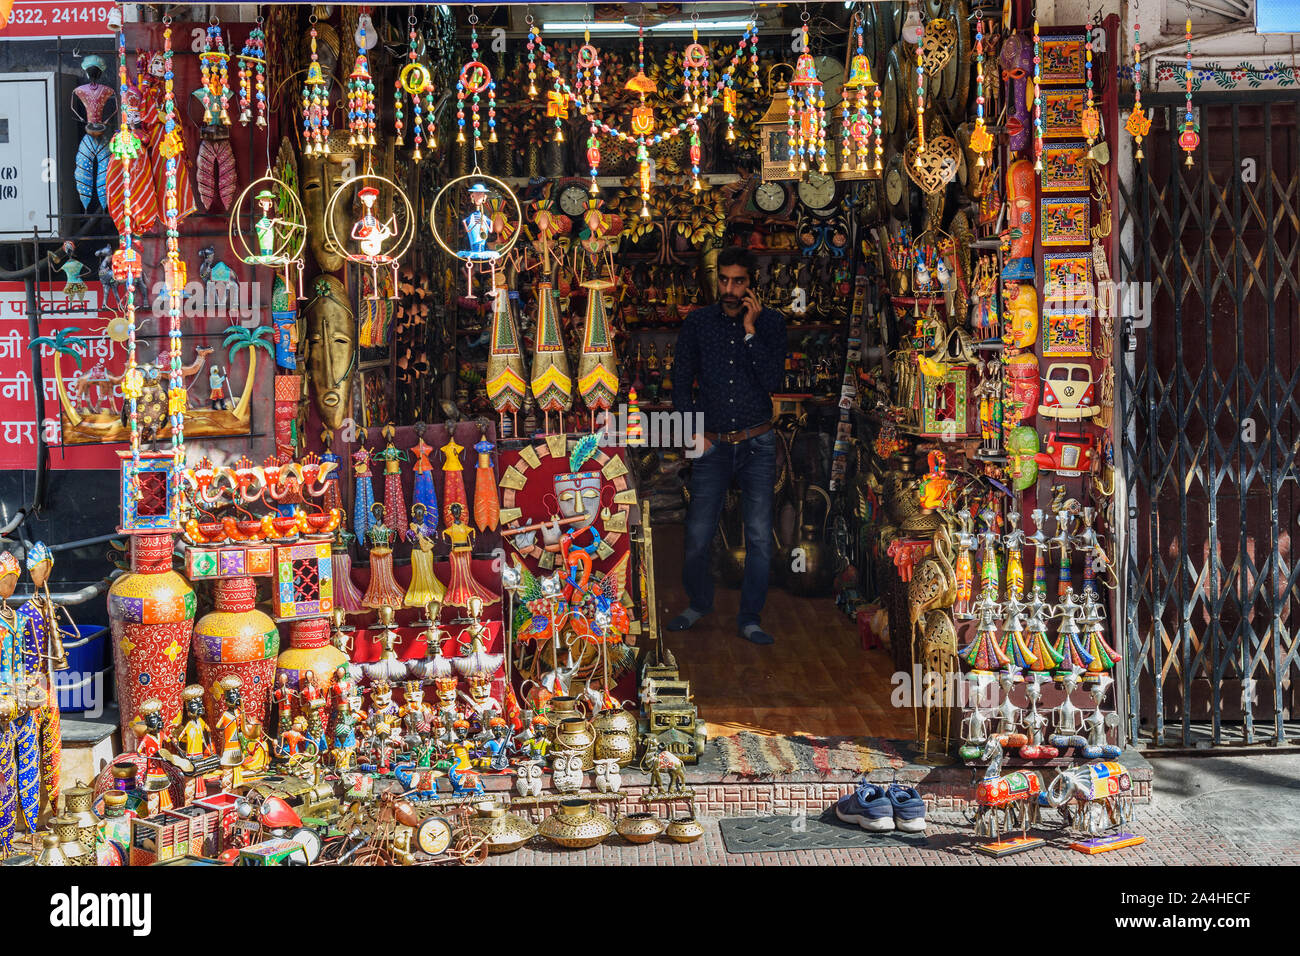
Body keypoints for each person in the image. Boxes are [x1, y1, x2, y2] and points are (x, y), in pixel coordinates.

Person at [668, 245, 786, 645]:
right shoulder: (699, 324)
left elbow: (772, 380)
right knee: (698, 532)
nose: (730, 288)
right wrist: (689, 429)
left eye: (738, 281)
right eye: (724, 279)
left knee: (757, 536)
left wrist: (752, 332)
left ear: (752, 284)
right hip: (712, 444)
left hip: (757, 442)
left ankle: (750, 617)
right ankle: (699, 602)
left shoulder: (771, 325)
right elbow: (680, 379)